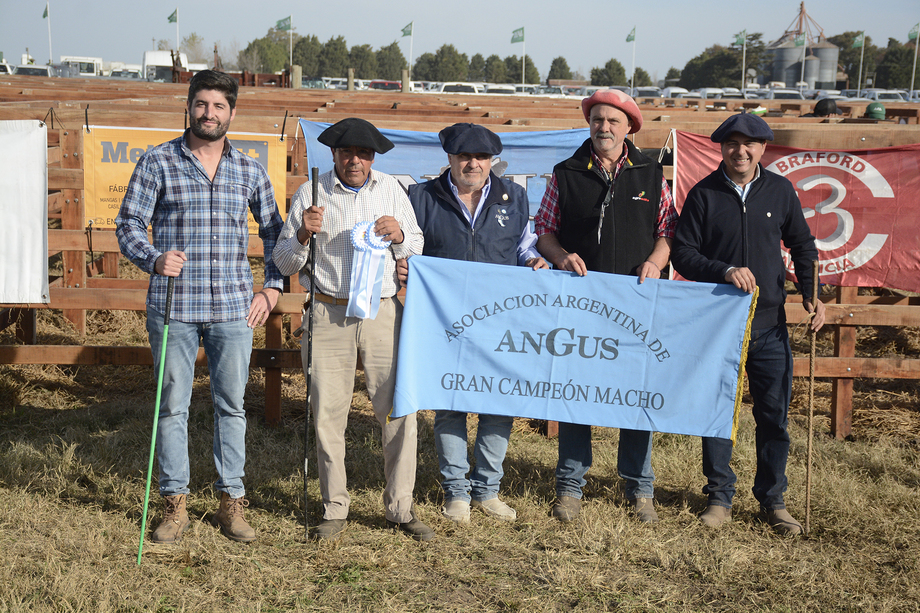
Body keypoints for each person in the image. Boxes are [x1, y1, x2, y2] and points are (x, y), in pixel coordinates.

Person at [116, 70, 284, 544]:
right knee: (172, 406)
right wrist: (153, 257)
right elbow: (128, 223)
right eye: (201, 104)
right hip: (174, 305)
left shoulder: (249, 169)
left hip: (234, 306)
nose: (209, 113)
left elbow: (275, 232)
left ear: (232, 112)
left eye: (218, 106)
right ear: (188, 106)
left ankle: (232, 501)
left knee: (231, 406)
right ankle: (174, 504)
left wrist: (271, 288)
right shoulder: (158, 162)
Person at [272, 117, 433, 541]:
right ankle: (334, 507)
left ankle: (401, 507)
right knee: (327, 413)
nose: (355, 161)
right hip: (328, 312)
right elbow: (284, 263)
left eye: (363, 154)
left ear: (373, 157)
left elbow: (417, 247)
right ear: (334, 155)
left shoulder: (392, 191)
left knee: (399, 410)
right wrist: (303, 235)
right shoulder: (311, 193)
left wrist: (400, 236)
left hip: (382, 311)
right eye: (347, 153)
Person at [671, 112, 826, 536]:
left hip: (770, 323)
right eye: (732, 144)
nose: (741, 151)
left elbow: (802, 244)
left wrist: (811, 291)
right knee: (719, 413)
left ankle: (773, 499)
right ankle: (719, 496)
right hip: (718, 323)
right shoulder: (703, 194)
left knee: (774, 415)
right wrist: (723, 270)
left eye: (750, 144)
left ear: (762, 149)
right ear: (721, 148)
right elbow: (682, 253)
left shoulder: (780, 189)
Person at [534, 89, 677, 524]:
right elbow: (543, 227)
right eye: (597, 120)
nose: (604, 128)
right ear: (589, 124)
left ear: (629, 127)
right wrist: (559, 257)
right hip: (581, 303)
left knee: (636, 391)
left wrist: (655, 262)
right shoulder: (567, 172)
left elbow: (668, 229)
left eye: (613, 121)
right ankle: (571, 485)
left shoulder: (651, 175)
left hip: (636, 302)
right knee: (576, 389)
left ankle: (639, 487)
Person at [399, 123, 548, 526]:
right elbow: (409, 248)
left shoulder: (513, 196)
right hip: (443, 320)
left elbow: (524, 247)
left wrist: (534, 261)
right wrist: (403, 267)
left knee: (498, 402)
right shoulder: (421, 197)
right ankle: (456, 492)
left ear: (491, 160)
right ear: (448, 157)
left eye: (481, 157)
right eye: (465, 156)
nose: (473, 163)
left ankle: (488, 490)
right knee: (451, 405)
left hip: (500, 319)